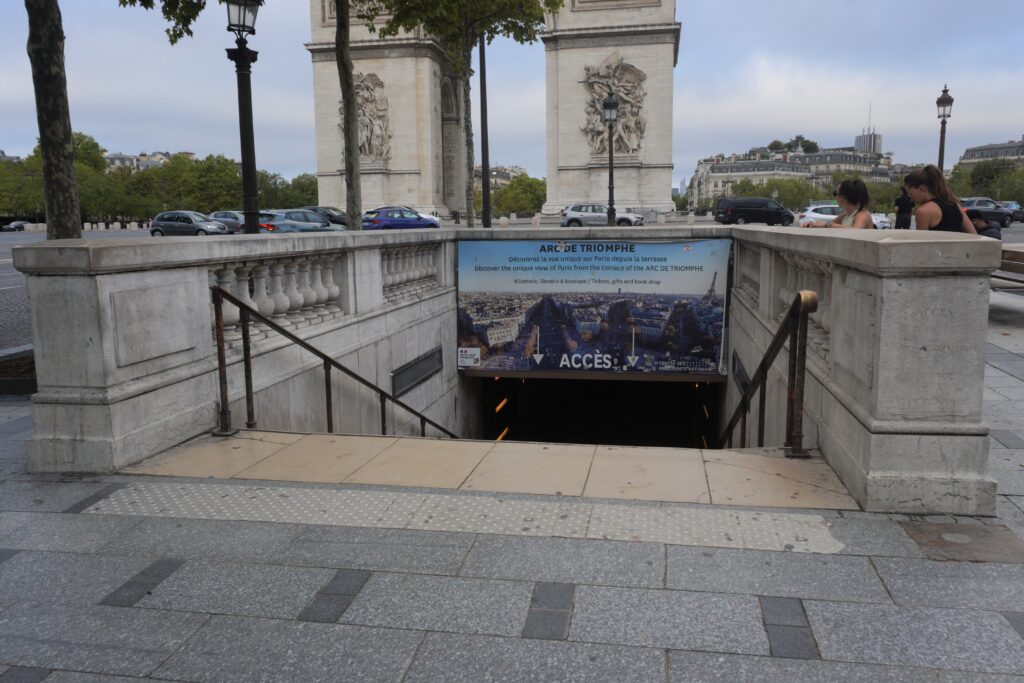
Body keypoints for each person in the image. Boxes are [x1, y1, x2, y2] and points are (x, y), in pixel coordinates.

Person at [903, 165, 976, 234]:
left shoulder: (923, 211)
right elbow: (974, 235)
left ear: (922, 189)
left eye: (911, 193)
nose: (910, 197)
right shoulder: (956, 206)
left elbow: (921, 245)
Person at [803, 178, 873, 228]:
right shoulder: (847, 214)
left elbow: (856, 230)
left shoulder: (863, 214)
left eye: (836, 193)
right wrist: (813, 224)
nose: (835, 197)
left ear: (844, 197)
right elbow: (831, 223)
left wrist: (827, 225)